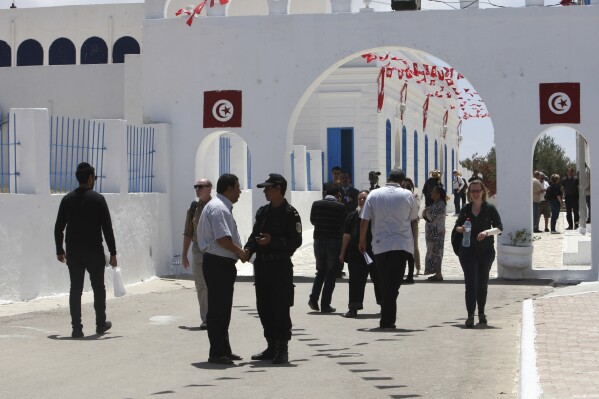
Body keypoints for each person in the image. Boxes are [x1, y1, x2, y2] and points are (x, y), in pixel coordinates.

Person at [243, 174, 302, 364]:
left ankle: (282, 349)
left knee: (280, 307)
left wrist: (273, 241)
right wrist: (249, 248)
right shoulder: (263, 212)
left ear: (278, 189)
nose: (265, 191)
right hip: (262, 266)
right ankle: (271, 346)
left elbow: (295, 241)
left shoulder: (290, 214)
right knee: (264, 307)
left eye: (268, 188)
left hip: (280, 266)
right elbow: (254, 235)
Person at [54, 162, 117, 338]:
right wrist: (113, 252)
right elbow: (107, 228)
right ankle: (100, 324)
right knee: (98, 287)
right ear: (90, 178)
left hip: (73, 252)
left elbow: (58, 227)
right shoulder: (98, 199)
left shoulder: (67, 199)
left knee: (75, 289)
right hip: (94, 252)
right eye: (94, 177)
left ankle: (76, 328)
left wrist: (59, 249)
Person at [198, 173, 248, 365]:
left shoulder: (219, 206)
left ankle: (224, 349)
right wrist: (240, 252)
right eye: (237, 187)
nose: (240, 191)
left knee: (223, 308)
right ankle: (217, 352)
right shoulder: (219, 208)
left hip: (220, 262)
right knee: (219, 309)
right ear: (228, 188)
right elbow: (222, 239)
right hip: (218, 262)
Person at [359, 168, 418, 329]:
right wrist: (415, 245)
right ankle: (387, 319)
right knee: (394, 283)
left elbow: (364, 219)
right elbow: (414, 219)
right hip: (401, 245)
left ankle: (387, 317)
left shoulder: (373, 194)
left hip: (380, 245)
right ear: (402, 180)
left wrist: (362, 240)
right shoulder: (407, 195)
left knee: (385, 281)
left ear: (388, 178)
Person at [454, 180, 503, 328]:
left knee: (482, 283)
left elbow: (499, 228)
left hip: (486, 251)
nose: (475, 193)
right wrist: (461, 229)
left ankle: (481, 313)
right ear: (469, 193)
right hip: (468, 251)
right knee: (470, 283)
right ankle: (470, 315)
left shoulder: (490, 209)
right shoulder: (466, 209)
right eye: (472, 191)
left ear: (483, 192)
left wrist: (487, 232)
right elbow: (457, 226)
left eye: (478, 190)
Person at [339, 190, 380, 318]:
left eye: (364, 198)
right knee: (355, 280)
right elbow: (346, 236)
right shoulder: (351, 216)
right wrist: (342, 252)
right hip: (355, 254)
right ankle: (353, 307)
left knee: (378, 279)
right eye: (360, 199)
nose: (362, 200)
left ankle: (384, 305)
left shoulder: (375, 216)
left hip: (373, 253)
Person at [309, 186, 346, 313]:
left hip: (318, 240)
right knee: (330, 274)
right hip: (334, 242)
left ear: (325, 193)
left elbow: (313, 221)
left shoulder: (316, 204)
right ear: (338, 194)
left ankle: (313, 299)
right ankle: (325, 304)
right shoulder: (340, 207)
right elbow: (342, 224)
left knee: (320, 271)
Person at [182, 178, 212, 330]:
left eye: (201, 186)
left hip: (214, 250)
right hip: (198, 249)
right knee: (201, 285)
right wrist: (184, 255)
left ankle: (216, 315)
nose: (198, 189)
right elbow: (188, 232)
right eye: (196, 187)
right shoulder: (193, 208)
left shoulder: (217, 207)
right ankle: (206, 318)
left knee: (214, 285)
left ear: (209, 188)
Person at [422, 185, 447, 281]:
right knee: (433, 252)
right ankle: (437, 273)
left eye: (433, 192)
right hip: (433, 234)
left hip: (436, 234)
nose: (431, 193)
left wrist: (425, 212)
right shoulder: (436, 204)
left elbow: (429, 215)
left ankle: (438, 273)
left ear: (438, 194)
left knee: (437, 253)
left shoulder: (440, 205)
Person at [401, 178, 421, 282]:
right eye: (405, 185)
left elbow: (416, 208)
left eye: (408, 186)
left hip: (413, 222)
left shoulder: (415, 196)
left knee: (414, 246)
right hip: (403, 222)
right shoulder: (401, 195)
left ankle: (417, 267)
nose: (406, 187)